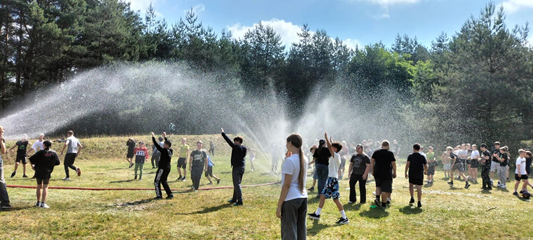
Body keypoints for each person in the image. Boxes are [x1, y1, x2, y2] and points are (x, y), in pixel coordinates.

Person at [308, 132, 349, 224]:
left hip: (332, 179)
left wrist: (326, 138)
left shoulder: (335, 155)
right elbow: (331, 148)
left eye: (331, 147)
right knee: (328, 197)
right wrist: (331, 141)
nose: (328, 148)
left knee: (329, 198)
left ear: (335, 149)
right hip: (332, 179)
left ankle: (343, 218)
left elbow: (330, 148)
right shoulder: (335, 156)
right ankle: (318, 214)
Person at [277, 134, 308, 239]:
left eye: (287, 143)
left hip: (290, 199)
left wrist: (279, 205)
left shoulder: (289, 161)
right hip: (303, 197)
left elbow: (287, 185)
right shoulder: (305, 158)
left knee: (289, 231)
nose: (286, 145)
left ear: (290, 143)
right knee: (301, 229)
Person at [29, 140, 60, 208]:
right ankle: (43, 203)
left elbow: (31, 159)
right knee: (45, 186)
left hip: (39, 170)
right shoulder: (53, 153)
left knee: (39, 186)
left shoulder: (40, 152)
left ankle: (38, 202)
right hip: (47, 171)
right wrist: (50, 165)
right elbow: (57, 162)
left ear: (44, 145)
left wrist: (33, 166)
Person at [221, 128, 247, 206]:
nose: (234, 142)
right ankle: (234, 199)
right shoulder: (244, 148)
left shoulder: (236, 147)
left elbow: (229, 142)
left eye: (235, 141)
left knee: (237, 184)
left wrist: (223, 133)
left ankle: (240, 201)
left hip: (237, 168)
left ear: (238, 142)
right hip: (242, 167)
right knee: (237, 184)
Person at [371, 140, 397, 209]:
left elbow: (372, 161)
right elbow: (393, 164)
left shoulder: (376, 152)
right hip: (386, 173)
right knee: (385, 189)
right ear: (388, 146)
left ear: (381, 145)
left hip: (377, 172)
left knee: (378, 186)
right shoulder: (390, 153)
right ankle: (384, 204)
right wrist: (395, 172)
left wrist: (372, 170)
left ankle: (377, 197)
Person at [152, 132, 173, 199]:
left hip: (162, 168)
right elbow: (168, 144)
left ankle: (159, 196)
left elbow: (157, 146)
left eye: (164, 144)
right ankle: (170, 194)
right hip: (168, 167)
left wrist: (153, 137)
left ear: (167, 145)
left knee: (156, 181)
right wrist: (165, 137)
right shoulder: (170, 150)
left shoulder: (164, 150)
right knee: (164, 181)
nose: (163, 144)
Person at [405, 143, 427, 208]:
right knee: (419, 187)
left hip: (412, 172)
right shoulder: (422, 156)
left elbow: (407, 165)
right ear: (419, 149)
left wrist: (405, 172)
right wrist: (425, 171)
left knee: (411, 185)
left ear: (413, 149)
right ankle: (419, 201)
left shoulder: (410, 156)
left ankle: (412, 197)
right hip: (419, 173)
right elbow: (425, 165)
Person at [0, 126, 11, 208]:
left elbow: (3, 152)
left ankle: (5, 202)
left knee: (0, 181)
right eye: (0, 132)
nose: (2, 133)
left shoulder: (2, 140)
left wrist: (0, 141)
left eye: (2, 132)